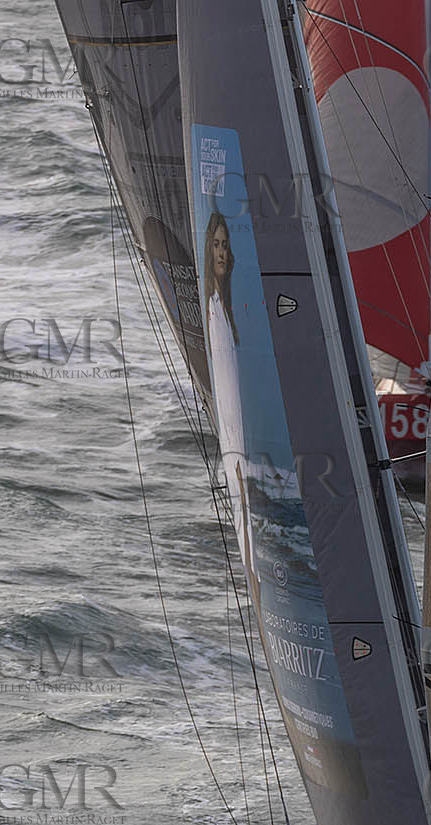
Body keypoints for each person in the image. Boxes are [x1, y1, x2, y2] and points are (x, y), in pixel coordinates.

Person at [203, 211, 254, 574]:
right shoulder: (213, 309)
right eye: (215, 245)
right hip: (235, 442)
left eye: (225, 246)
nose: (221, 253)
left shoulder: (229, 305)